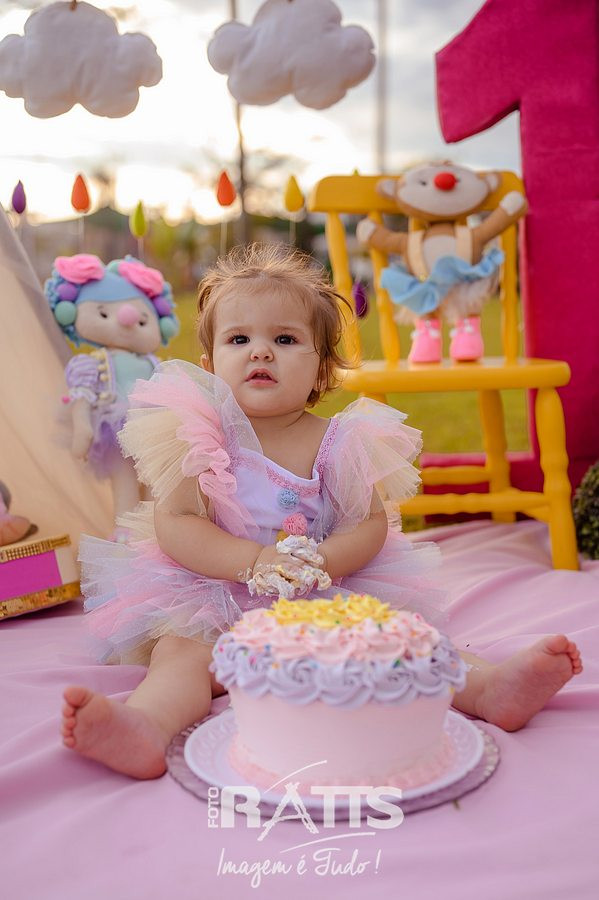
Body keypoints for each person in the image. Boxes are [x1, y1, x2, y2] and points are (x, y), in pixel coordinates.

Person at [61, 243, 583, 779]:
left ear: (321, 370)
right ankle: (148, 726)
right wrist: (252, 561)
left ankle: (487, 688)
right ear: (210, 366)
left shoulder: (340, 441)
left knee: (394, 639)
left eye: (285, 340)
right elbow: (176, 522)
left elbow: (370, 523)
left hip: (319, 590)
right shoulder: (199, 435)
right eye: (239, 339)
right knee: (178, 655)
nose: (261, 353)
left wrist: (326, 561)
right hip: (213, 594)